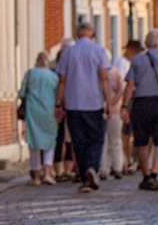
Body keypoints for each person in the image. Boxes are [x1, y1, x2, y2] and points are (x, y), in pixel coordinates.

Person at [54, 22, 112, 193]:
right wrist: (109, 101)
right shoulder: (100, 51)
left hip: (74, 103)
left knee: (78, 141)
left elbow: (62, 81)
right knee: (96, 138)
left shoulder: (68, 53)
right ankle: (91, 168)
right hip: (94, 102)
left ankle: (84, 174)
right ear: (92, 34)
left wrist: (58, 104)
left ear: (77, 34)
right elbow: (104, 78)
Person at [121, 28, 158, 191]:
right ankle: (155, 174)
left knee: (141, 140)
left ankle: (146, 175)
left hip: (141, 103)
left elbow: (130, 85)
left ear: (146, 43)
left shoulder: (137, 60)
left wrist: (124, 106)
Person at [19, 51, 59, 186]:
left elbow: (22, 92)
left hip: (33, 111)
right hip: (49, 111)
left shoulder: (30, 74)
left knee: (34, 143)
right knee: (49, 142)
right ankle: (47, 173)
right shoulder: (53, 77)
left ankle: (35, 175)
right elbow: (58, 94)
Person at [117, 40, 144, 174]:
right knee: (126, 133)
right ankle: (128, 161)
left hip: (134, 99)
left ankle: (135, 160)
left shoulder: (132, 62)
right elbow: (124, 85)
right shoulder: (121, 63)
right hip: (128, 100)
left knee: (135, 132)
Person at [51, 38, 76, 180]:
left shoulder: (54, 69)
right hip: (67, 108)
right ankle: (65, 171)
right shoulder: (63, 69)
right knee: (66, 140)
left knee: (62, 140)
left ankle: (61, 172)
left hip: (60, 108)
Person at [99, 49, 125, 180]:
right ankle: (117, 167)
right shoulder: (115, 72)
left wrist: (107, 104)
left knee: (103, 141)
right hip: (115, 110)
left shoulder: (98, 73)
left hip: (101, 109)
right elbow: (121, 90)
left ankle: (104, 169)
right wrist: (114, 103)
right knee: (116, 140)